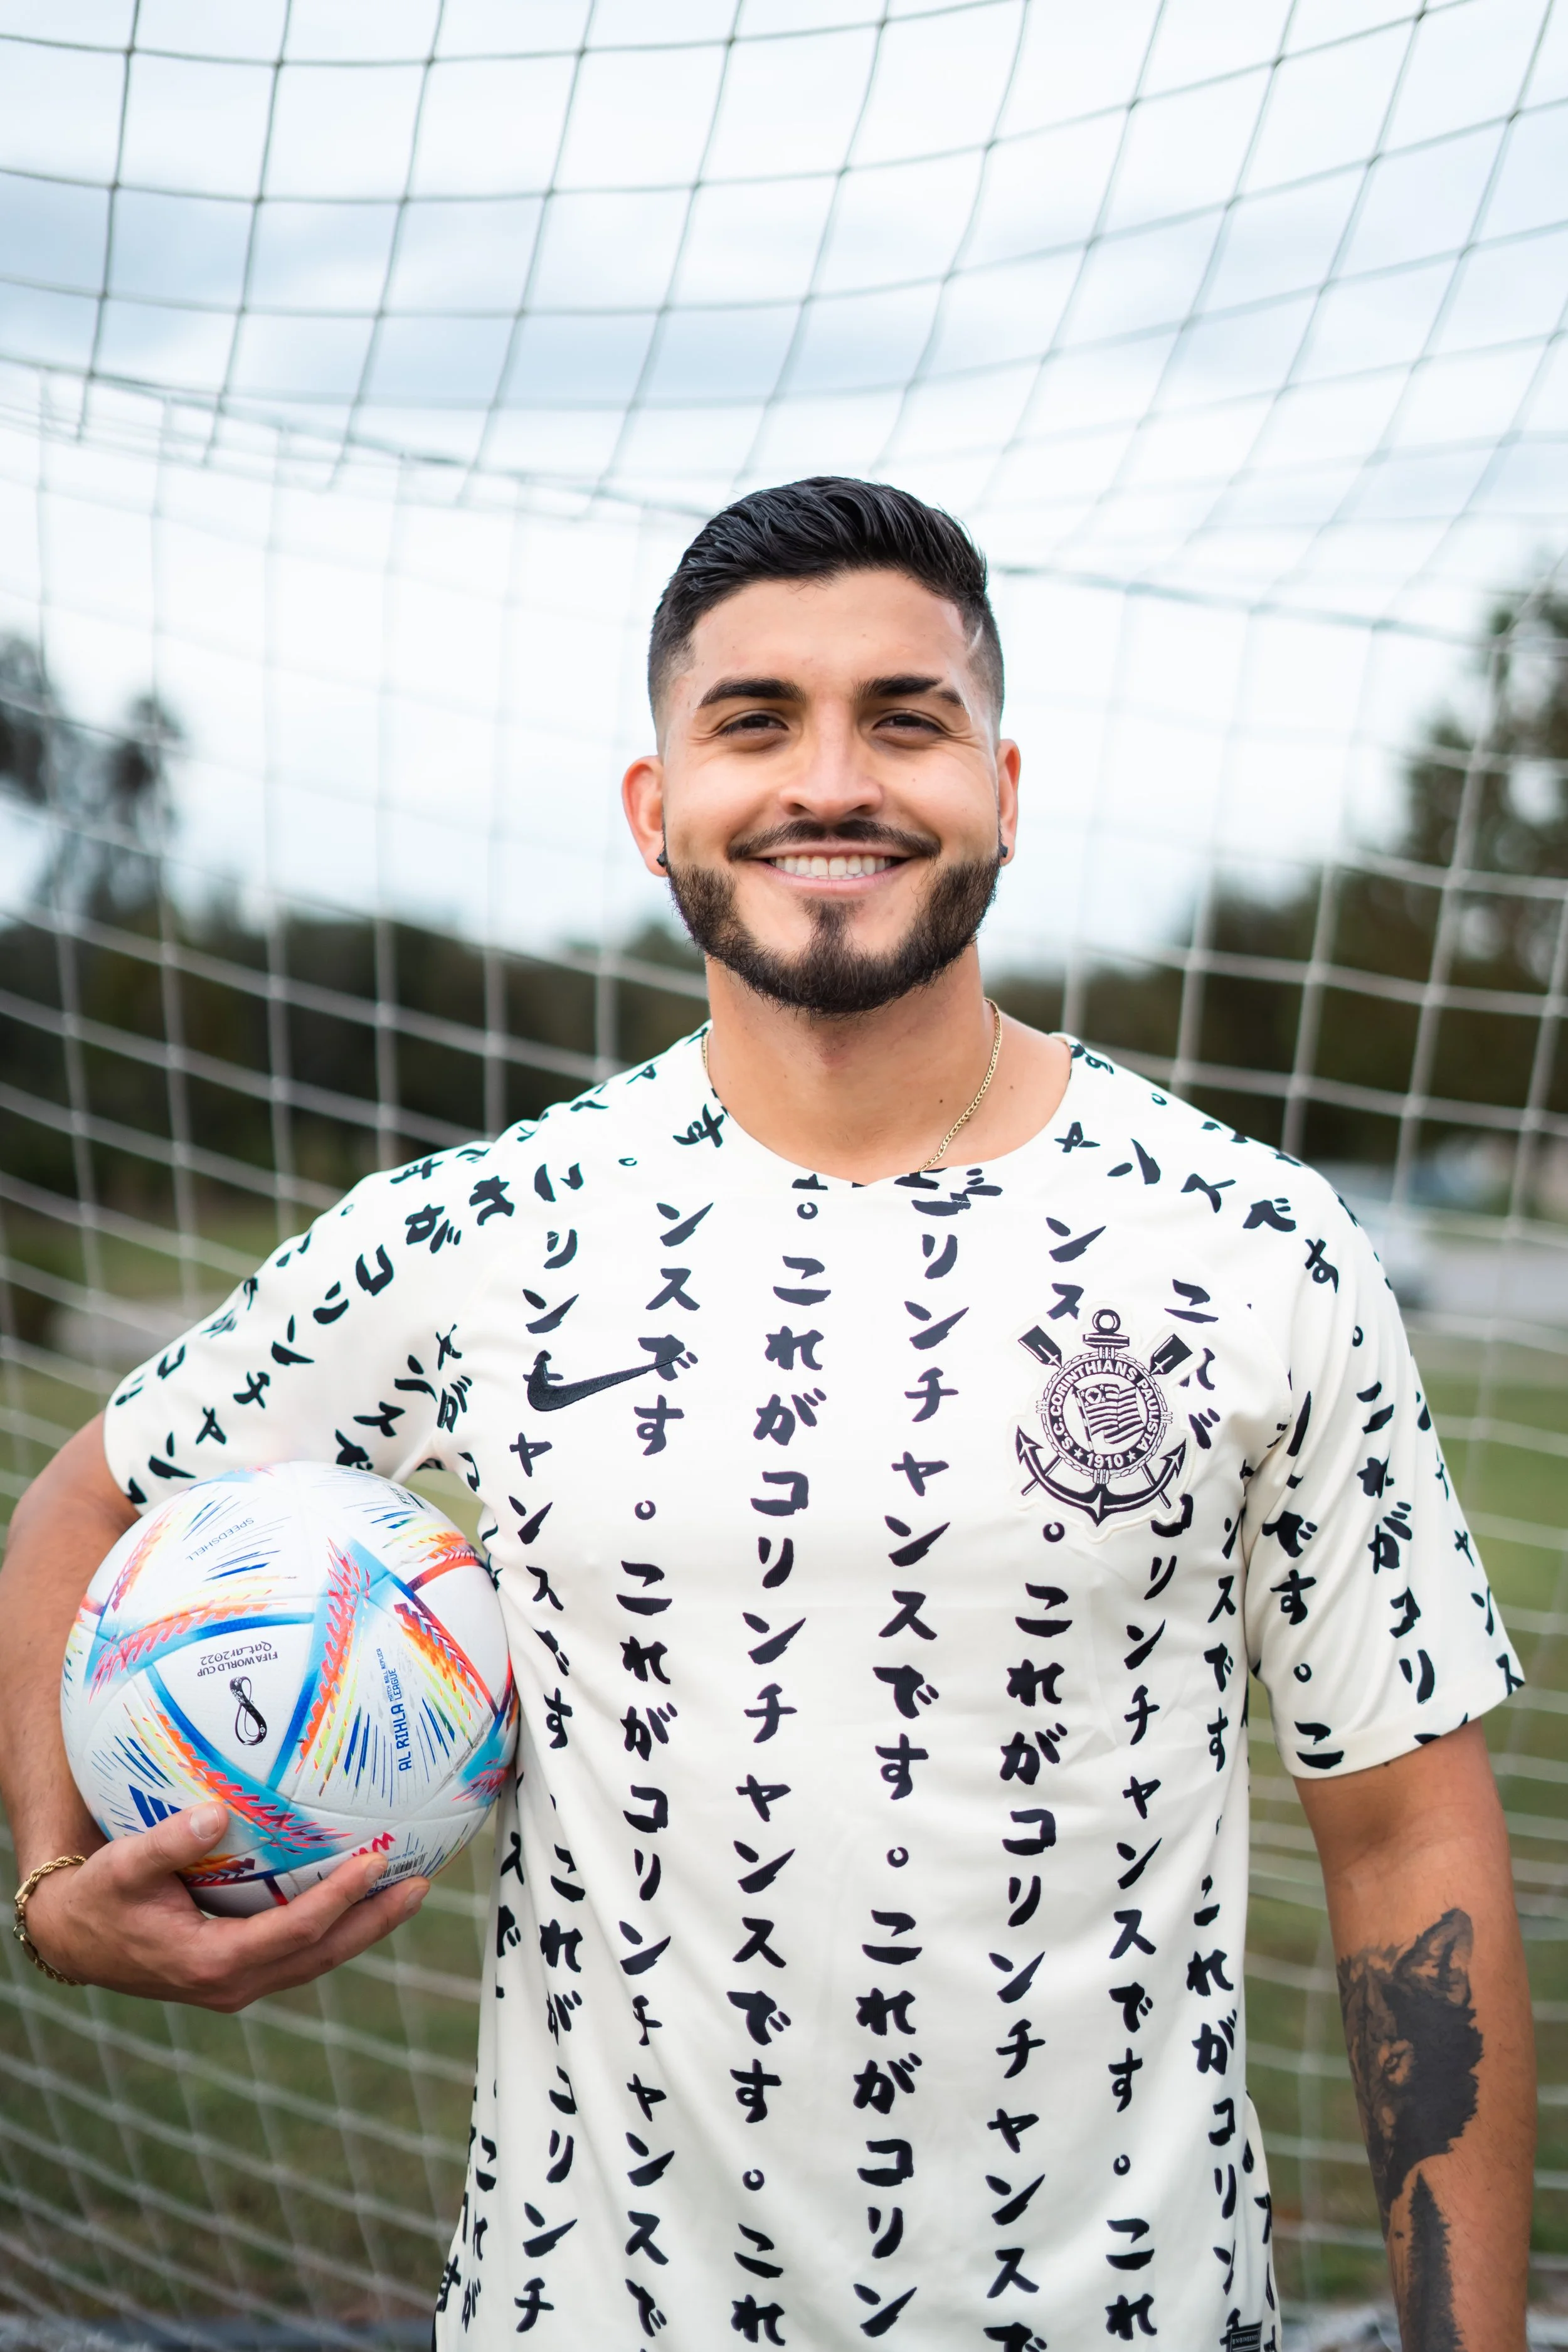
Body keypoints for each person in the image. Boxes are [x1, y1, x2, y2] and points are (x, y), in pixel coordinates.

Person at [0, 478, 1534, 2351]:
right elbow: (77, 1505)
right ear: (657, 810)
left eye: (905, 717)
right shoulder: (476, 1234)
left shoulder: (1252, 1243)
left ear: (1004, 786)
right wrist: (55, 1880)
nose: (832, 780)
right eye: (753, 722)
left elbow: (1402, 1842)